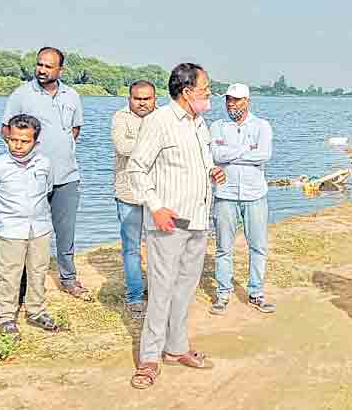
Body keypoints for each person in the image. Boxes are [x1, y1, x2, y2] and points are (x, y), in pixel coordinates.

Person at [126, 63, 226, 389]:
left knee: (185, 288)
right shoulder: (159, 122)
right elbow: (136, 169)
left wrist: (213, 171)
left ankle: (176, 348)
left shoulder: (199, 123)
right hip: (168, 222)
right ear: (187, 92)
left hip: (198, 219)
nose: (209, 94)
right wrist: (155, 207)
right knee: (162, 290)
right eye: (205, 89)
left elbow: (203, 160)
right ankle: (149, 359)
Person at [2, 47, 90, 301]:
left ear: (60, 69)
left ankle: (69, 279)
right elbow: (6, 130)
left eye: (48, 66)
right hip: (31, 177)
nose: (42, 70)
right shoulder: (21, 95)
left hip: (67, 176)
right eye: (39, 64)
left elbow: (74, 130)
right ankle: (22, 285)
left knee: (66, 232)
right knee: (27, 231)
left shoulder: (72, 95)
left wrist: (58, 150)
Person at [0, 114, 60, 339]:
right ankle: (6, 317)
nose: (18, 146)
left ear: (35, 142)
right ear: (7, 138)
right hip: (11, 230)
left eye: (25, 141)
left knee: (38, 270)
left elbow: (48, 188)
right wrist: (2, 214)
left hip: (40, 228)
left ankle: (36, 311)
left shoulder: (44, 163)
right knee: (10, 274)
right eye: (13, 140)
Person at [208, 83, 275, 315]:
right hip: (225, 194)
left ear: (247, 101)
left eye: (236, 100)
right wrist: (245, 149)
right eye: (229, 99)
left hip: (255, 195)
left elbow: (263, 155)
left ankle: (256, 293)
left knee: (258, 247)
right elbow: (215, 155)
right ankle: (223, 294)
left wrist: (229, 155)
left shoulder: (262, 126)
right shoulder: (217, 126)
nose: (231, 104)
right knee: (223, 247)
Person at [112, 80, 158, 319]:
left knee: (158, 246)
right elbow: (123, 147)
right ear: (129, 98)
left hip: (156, 194)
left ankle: (158, 292)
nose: (142, 103)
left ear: (155, 99)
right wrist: (154, 144)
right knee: (131, 248)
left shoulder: (163, 118)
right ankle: (135, 297)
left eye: (146, 98)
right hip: (128, 192)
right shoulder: (120, 118)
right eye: (137, 98)